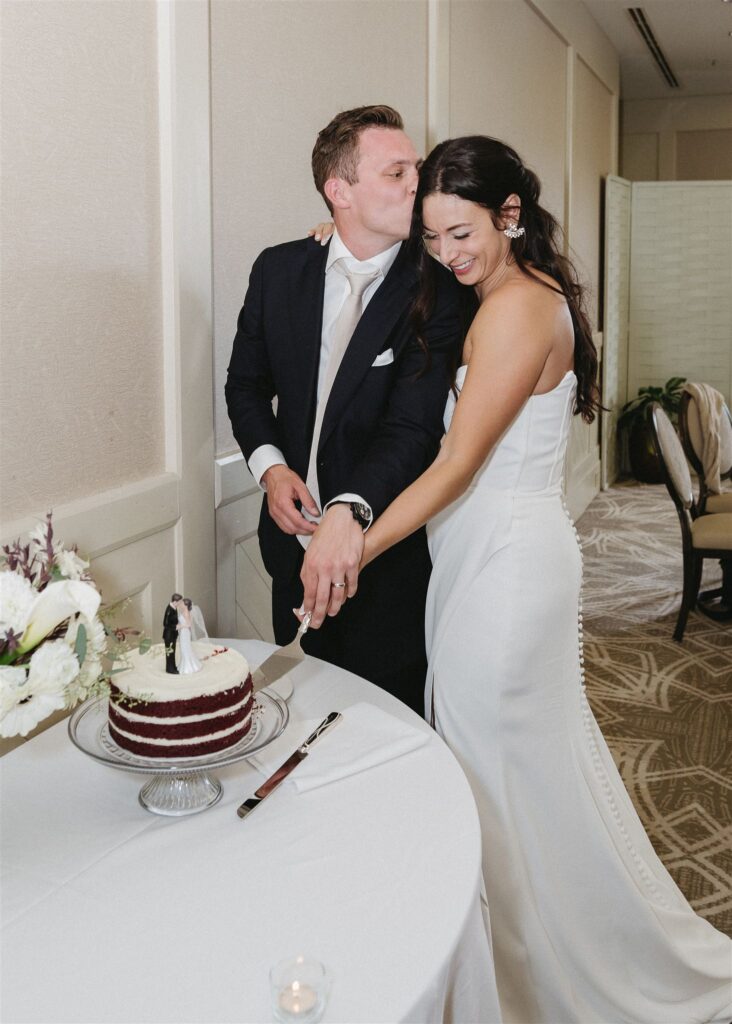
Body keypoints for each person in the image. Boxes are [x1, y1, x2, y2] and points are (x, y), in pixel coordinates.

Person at [305, 136, 732, 1023]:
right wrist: (344, 235)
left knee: (491, 778)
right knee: (515, 774)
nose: (447, 254)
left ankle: (525, 978)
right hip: (487, 557)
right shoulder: (508, 291)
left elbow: (458, 464)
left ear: (509, 215)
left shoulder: (513, 311)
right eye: (430, 237)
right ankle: (516, 957)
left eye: (460, 232)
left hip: (504, 568)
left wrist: (355, 545)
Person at [225, 105, 465, 713]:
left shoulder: (438, 289)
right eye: (397, 173)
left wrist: (348, 511)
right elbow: (244, 386)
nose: (418, 184)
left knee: (389, 728)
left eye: (417, 170)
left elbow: (412, 427)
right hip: (288, 545)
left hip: (388, 557)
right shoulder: (278, 270)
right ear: (340, 191)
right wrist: (272, 470)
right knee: (300, 717)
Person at [176, 598, 201, 675]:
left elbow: (189, 624)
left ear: (186, 605)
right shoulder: (184, 612)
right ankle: (186, 664)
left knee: (185, 648)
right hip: (184, 632)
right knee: (184, 648)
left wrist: (180, 626)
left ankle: (188, 667)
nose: (181, 605)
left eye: (182, 604)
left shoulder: (186, 612)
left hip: (185, 632)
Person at [162, 592, 182, 674]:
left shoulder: (174, 607)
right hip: (168, 635)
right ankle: (170, 669)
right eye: (179, 602)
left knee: (172, 652)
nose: (180, 603)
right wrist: (175, 627)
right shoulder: (169, 610)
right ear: (175, 601)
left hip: (172, 635)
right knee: (169, 653)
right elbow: (165, 623)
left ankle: (172, 666)